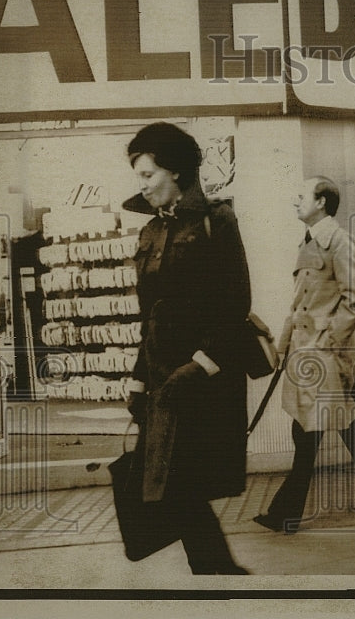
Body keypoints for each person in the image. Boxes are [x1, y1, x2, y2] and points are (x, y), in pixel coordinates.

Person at [122, 122, 250, 574]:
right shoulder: (150, 233)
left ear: (174, 171)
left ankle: (221, 578)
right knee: (176, 487)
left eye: (146, 174)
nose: (142, 184)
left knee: (181, 485)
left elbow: (235, 306)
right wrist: (139, 379)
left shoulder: (217, 221)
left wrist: (200, 366)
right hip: (161, 382)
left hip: (201, 381)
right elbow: (148, 317)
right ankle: (222, 576)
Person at [256, 176, 355, 534]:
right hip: (308, 355)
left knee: (307, 433)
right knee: (344, 426)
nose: (296, 201)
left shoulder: (339, 241)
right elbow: (299, 305)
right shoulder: (310, 241)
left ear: (321, 202)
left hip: (324, 356)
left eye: (301, 195)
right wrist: (282, 348)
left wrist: (326, 343)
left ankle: (285, 513)